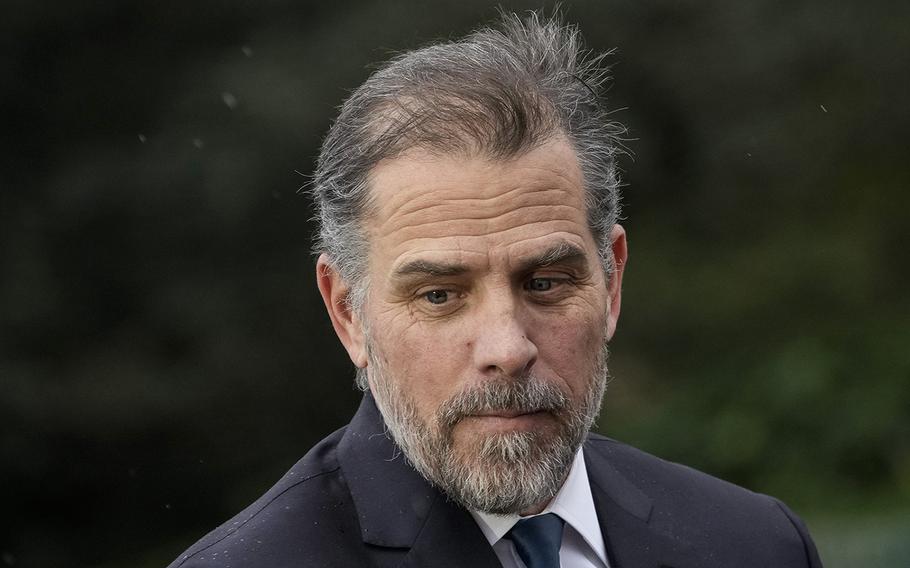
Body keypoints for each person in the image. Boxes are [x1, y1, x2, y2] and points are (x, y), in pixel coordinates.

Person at [169, 12, 823, 568]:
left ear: (612, 280)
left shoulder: (756, 545)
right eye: (439, 296)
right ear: (348, 313)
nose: (508, 348)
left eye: (544, 282)